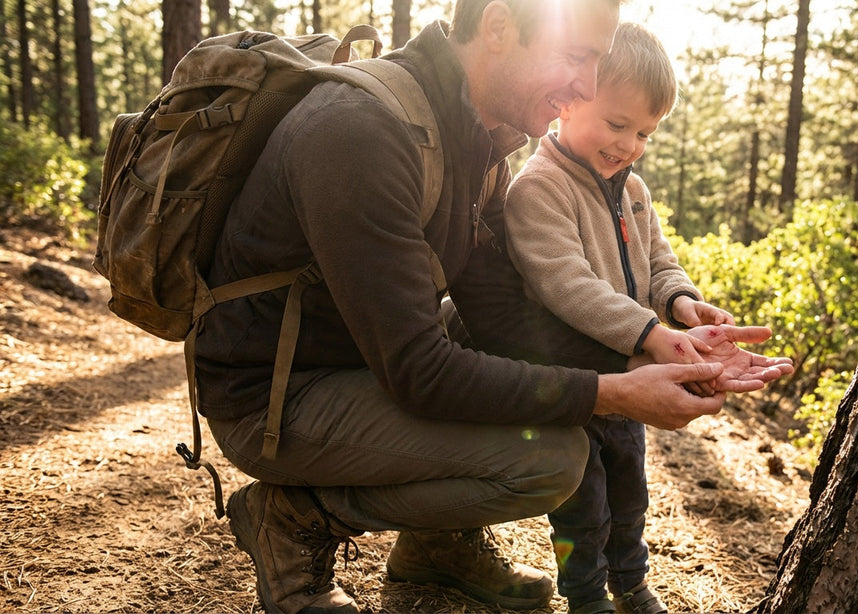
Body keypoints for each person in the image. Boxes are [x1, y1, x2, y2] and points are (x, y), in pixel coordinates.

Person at [192, 1, 790, 613]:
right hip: (276, 399)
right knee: (550, 462)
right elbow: (420, 372)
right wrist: (613, 393)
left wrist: (649, 358)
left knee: (473, 335)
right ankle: (293, 517)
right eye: (577, 56)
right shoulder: (361, 132)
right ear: (500, 27)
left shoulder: (472, 143)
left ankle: (437, 546)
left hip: (358, 364)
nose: (585, 84)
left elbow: (501, 319)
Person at [453, 21, 793, 614]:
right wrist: (651, 335)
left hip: (630, 369)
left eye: (645, 133)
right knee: (581, 503)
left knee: (630, 492)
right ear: (567, 99)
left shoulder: (630, 188)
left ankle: (631, 583)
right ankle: (585, 596)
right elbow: (566, 285)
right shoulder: (539, 190)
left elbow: (658, 262)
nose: (631, 144)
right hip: (574, 378)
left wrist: (682, 304)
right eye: (618, 124)